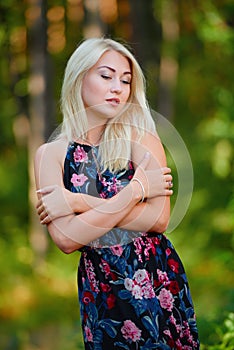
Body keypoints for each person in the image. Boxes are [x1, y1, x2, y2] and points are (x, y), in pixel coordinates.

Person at [34, 37, 199, 349]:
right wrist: (136, 190)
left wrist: (78, 201)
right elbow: (68, 239)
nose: (117, 88)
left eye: (125, 80)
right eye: (106, 76)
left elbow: (158, 220)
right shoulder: (49, 154)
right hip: (102, 289)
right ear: (79, 78)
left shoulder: (142, 139)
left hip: (155, 278)